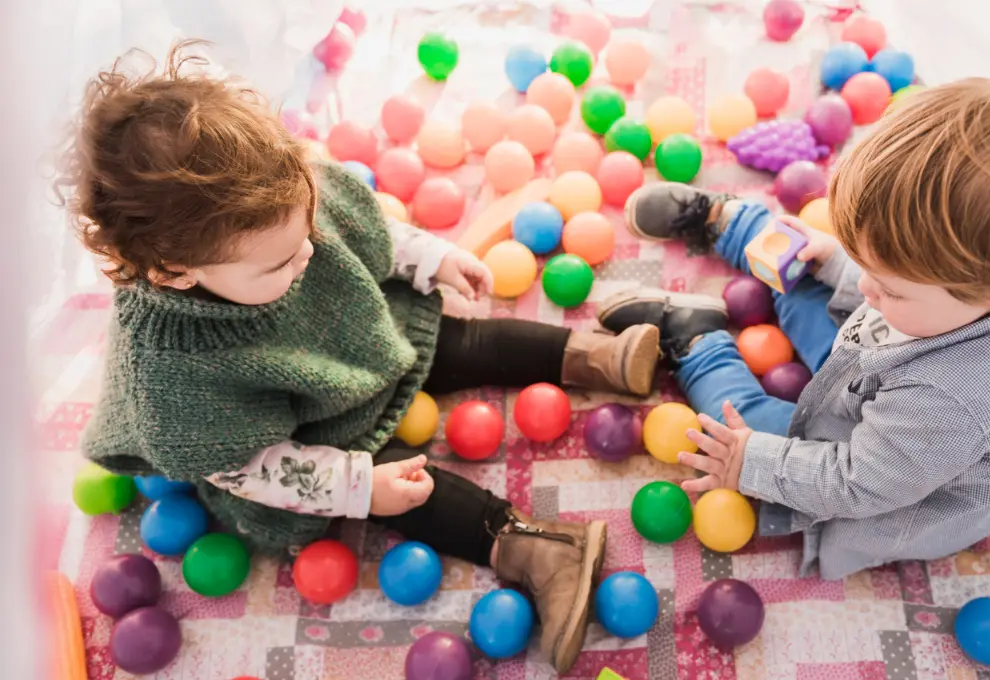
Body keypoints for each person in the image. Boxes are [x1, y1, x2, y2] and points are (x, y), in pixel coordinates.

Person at [57, 42, 659, 673]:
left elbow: (367, 226)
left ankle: (599, 355)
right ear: (175, 274)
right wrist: (355, 486)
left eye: (305, 234)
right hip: (289, 434)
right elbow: (246, 467)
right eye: (278, 263)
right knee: (404, 484)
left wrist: (430, 258)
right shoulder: (173, 376)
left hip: (356, 339)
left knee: (456, 337)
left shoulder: (283, 202)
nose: (307, 257)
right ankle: (543, 550)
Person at [597, 78, 990, 579]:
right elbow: (888, 282)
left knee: (735, 426)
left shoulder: (953, 400)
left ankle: (697, 340)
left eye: (892, 287)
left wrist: (749, 461)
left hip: (871, 473)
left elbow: (852, 482)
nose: (869, 288)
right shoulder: (974, 285)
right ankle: (736, 226)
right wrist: (840, 263)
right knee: (809, 269)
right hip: (882, 373)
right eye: (867, 265)